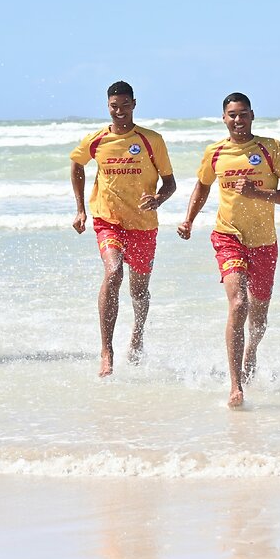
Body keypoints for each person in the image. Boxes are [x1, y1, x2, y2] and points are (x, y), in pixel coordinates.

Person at [177, 92, 280, 408]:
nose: (238, 120)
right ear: (224, 118)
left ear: (252, 115)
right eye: (232, 114)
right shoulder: (215, 152)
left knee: (258, 318)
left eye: (243, 114)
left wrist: (259, 193)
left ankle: (252, 351)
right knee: (238, 304)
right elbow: (203, 186)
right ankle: (235, 386)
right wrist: (189, 220)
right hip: (227, 236)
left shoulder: (270, 148)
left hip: (263, 242)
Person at [71, 81, 177, 376]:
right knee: (114, 271)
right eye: (113, 107)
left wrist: (158, 199)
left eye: (124, 106)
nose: (119, 112)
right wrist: (80, 209)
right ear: (108, 106)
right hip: (108, 221)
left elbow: (170, 184)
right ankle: (107, 350)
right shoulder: (96, 140)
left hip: (143, 225)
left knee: (139, 289)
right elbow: (77, 164)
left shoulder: (151, 140)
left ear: (134, 104)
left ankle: (138, 334)